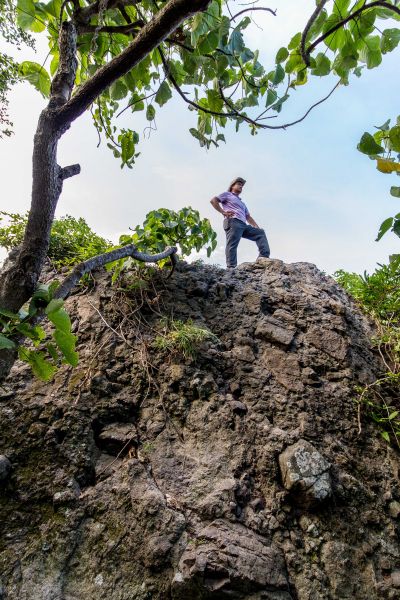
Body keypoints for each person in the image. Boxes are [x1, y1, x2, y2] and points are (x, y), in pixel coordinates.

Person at [210, 177, 270, 268]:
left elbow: (248, 217)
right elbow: (213, 200)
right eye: (239, 184)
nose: (241, 186)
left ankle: (263, 257)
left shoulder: (242, 203)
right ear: (232, 186)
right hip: (233, 221)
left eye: (242, 185)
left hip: (243, 224)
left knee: (260, 233)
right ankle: (231, 267)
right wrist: (223, 212)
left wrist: (256, 227)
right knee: (232, 244)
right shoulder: (227, 194)